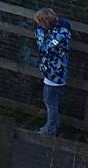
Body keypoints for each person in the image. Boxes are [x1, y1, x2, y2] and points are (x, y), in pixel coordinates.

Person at [34, 8, 71, 136]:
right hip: (51, 72)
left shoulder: (61, 34)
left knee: (51, 103)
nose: (39, 26)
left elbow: (45, 48)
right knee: (49, 101)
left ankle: (51, 129)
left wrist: (40, 33)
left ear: (46, 22)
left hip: (55, 74)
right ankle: (54, 124)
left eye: (40, 23)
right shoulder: (57, 30)